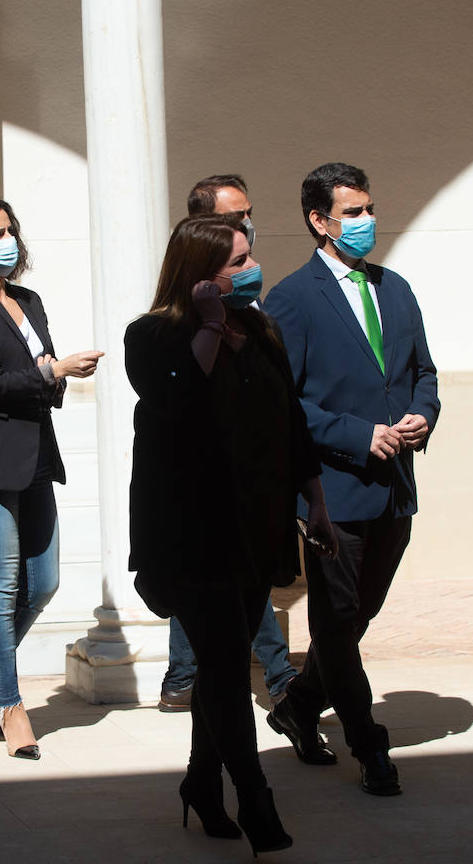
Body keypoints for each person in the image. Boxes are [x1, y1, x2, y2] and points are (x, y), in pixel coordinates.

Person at [127, 213, 337, 856]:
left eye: (250, 258)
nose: (251, 271)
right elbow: (176, 403)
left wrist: (316, 500)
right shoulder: (153, 336)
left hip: (257, 526)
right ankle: (255, 800)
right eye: (235, 264)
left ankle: (199, 782)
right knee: (221, 665)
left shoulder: (263, 329)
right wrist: (211, 327)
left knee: (221, 665)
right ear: (198, 277)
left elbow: (290, 424)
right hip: (192, 532)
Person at [264, 162, 441, 797]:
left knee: (355, 618)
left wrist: (425, 412)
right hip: (329, 492)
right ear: (320, 221)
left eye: (369, 209)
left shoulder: (395, 289)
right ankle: (368, 744)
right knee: (337, 622)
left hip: (394, 488)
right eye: (354, 213)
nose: (367, 222)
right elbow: (280, 404)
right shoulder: (291, 298)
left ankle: (297, 705)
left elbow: (423, 371)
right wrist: (355, 434)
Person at [0, 197, 103, 760]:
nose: (7, 241)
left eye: (10, 230)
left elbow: (40, 380)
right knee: (1, 584)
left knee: (44, 581)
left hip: (35, 455)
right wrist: (53, 371)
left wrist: (53, 373)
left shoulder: (29, 301)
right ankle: (10, 705)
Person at [159, 174, 299, 713]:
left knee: (241, 582)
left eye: (248, 215)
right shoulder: (165, 330)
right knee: (225, 583)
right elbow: (181, 396)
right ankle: (274, 672)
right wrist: (213, 325)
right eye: (234, 219)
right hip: (203, 490)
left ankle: (185, 675)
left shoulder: (258, 316)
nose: (248, 228)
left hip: (255, 481)